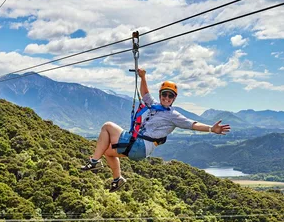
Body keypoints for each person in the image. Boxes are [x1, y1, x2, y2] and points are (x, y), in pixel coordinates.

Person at [81, 68, 231, 192]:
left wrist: (211, 128)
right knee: (107, 152)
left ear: (174, 99)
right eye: (164, 94)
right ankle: (117, 179)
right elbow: (145, 93)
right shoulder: (153, 106)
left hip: (139, 145)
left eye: (170, 96)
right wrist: (143, 77)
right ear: (160, 95)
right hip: (138, 148)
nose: (166, 97)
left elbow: (192, 124)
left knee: (107, 126)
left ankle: (94, 161)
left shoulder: (173, 115)